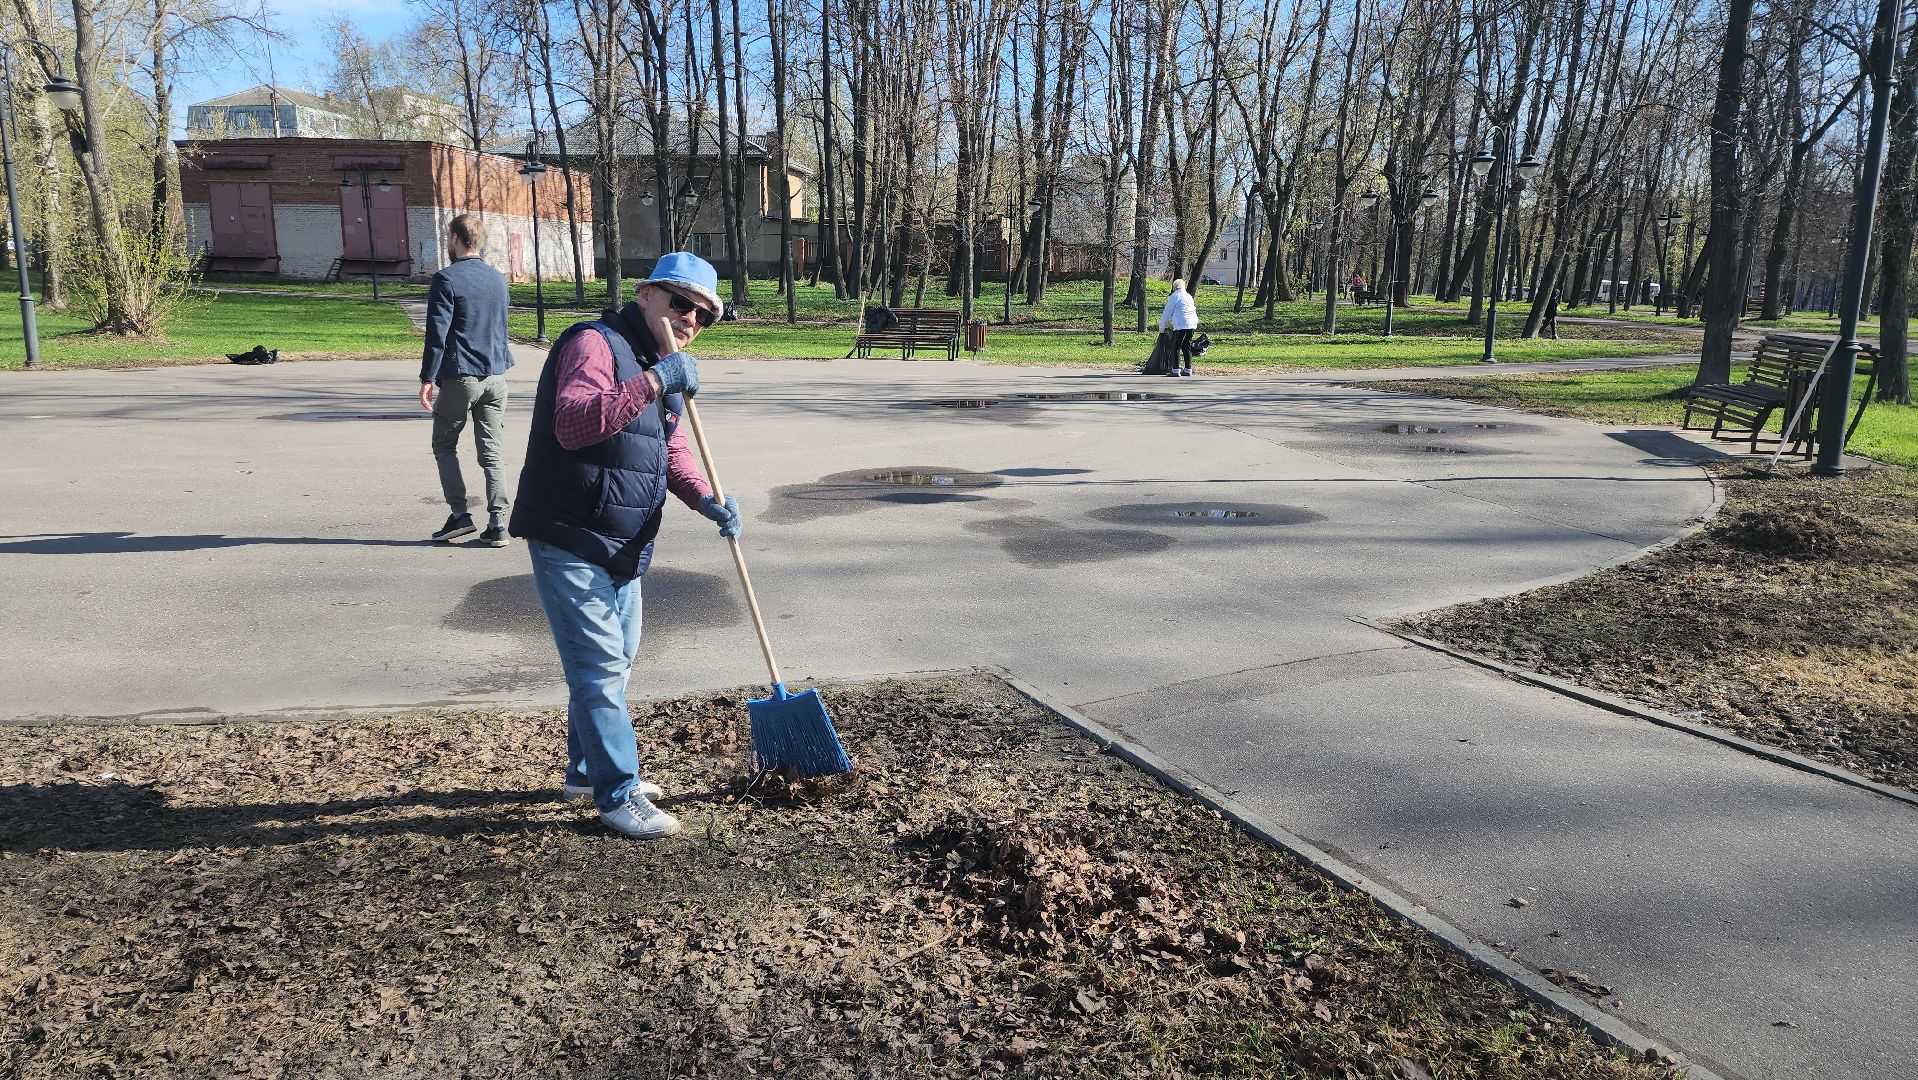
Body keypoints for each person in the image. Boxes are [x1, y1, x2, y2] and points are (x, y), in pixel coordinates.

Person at [508, 252, 741, 840]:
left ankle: (586, 770)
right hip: (569, 531)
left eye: (703, 314)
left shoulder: (658, 363)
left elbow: (671, 451)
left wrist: (706, 498)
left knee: (615, 662)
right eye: (680, 302)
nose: (689, 319)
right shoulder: (596, 344)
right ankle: (617, 794)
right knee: (600, 668)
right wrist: (658, 380)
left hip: (623, 540)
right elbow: (574, 422)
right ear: (645, 295)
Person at [420, 214, 515, 546]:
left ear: (456, 239)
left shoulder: (446, 279)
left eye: (449, 238)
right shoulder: (498, 279)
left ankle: (459, 516)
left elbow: (437, 334)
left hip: (461, 377)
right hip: (496, 377)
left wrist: (428, 377)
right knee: (492, 452)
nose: (448, 244)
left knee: (444, 444)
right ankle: (499, 524)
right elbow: (500, 328)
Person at [1157, 278, 1199, 377]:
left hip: (1181, 324)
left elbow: (1167, 313)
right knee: (1187, 346)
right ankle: (1188, 369)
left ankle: (1175, 370)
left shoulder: (1174, 296)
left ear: (1174, 287)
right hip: (1192, 323)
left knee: (1176, 346)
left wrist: (1161, 327)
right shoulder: (1188, 296)